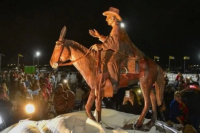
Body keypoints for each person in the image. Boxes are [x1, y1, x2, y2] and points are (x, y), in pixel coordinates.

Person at [89, 7, 143, 90]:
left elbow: (113, 43)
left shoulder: (116, 28)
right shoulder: (115, 28)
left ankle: (115, 84)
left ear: (113, 18)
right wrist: (98, 36)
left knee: (110, 63)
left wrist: (100, 46)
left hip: (122, 51)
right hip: (119, 49)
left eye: (107, 17)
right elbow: (111, 40)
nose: (106, 20)